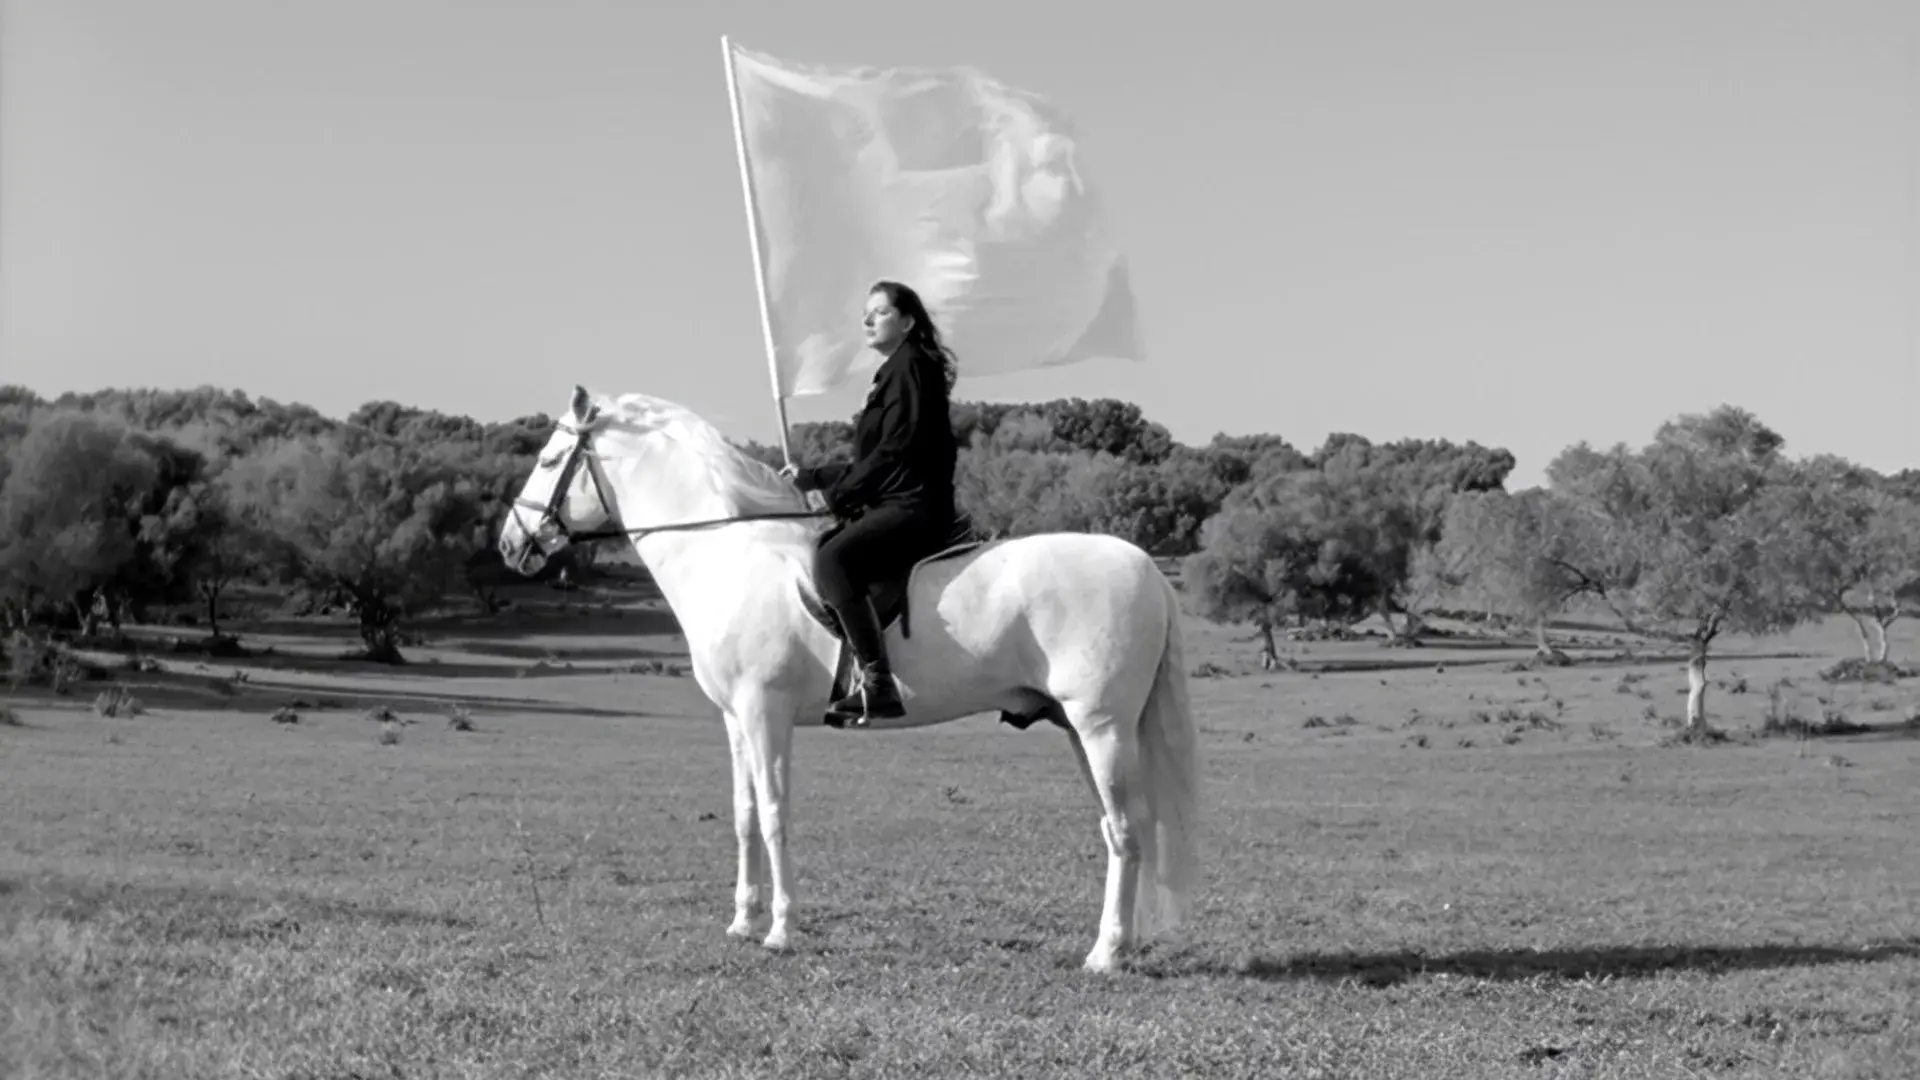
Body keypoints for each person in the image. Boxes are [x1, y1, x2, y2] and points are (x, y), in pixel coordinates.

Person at [780, 280, 961, 724]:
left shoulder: (911, 367)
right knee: (823, 549)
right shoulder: (896, 370)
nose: (868, 320)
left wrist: (838, 493)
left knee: (833, 561)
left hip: (913, 507)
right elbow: (870, 458)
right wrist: (811, 478)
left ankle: (879, 683)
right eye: (867, 312)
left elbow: (895, 450)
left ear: (908, 321)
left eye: (879, 312)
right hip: (897, 500)